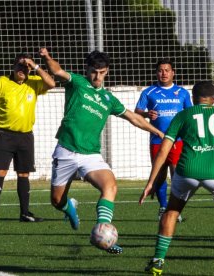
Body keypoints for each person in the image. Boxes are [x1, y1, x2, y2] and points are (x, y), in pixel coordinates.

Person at [40, 48, 164, 255]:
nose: (98, 77)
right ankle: (69, 207)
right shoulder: (78, 83)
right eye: (94, 72)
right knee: (56, 201)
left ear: (107, 72)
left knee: (110, 186)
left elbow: (133, 117)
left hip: (91, 155)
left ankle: (102, 232)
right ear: (87, 70)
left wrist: (156, 131)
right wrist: (46, 58)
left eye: (102, 72)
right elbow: (57, 71)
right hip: (66, 151)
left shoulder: (109, 99)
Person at [140, 81, 214, 276]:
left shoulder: (183, 115)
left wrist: (151, 182)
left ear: (193, 96)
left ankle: (158, 261)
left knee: (172, 211)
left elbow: (164, 150)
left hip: (187, 171)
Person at [0, 52, 56, 224]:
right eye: (20, 66)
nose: (22, 70)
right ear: (13, 67)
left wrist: (35, 65)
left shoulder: (34, 83)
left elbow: (52, 83)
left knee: (24, 174)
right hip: (5, 135)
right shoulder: (2, 82)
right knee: (0, 171)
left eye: (26, 67)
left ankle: (25, 213)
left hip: (25, 137)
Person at [135, 58, 192, 222]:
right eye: (161, 70)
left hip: (177, 140)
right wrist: (147, 114)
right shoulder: (149, 92)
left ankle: (174, 210)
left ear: (173, 72)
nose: (164, 73)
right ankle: (162, 207)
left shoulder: (182, 92)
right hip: (157, 140)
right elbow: (137, 112)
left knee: (176, 174)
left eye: (167, 70)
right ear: (156, 73)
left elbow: (189, 114)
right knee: (160, 175)